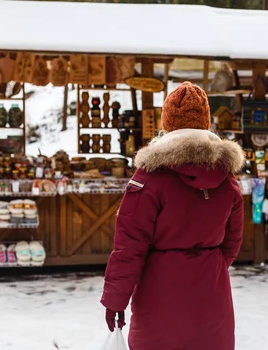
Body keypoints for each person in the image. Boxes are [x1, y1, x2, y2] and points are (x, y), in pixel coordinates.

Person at [101, 82, 245, 350]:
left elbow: (129, 246)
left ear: (167, 123)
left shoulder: (149, 177)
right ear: (206, 123)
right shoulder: (226, 177)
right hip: (212, 292)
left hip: (160, 291)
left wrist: (115, 299)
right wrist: (207, 263)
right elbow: (232, 241)